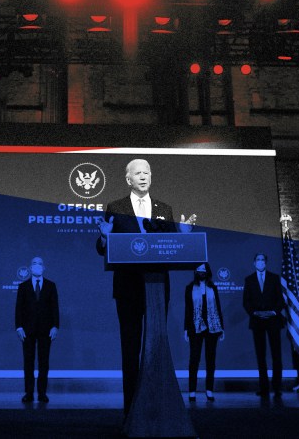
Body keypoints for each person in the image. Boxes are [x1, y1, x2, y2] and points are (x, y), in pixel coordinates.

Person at [95, 158, 195, 415]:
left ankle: (157, 409)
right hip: (128, 289)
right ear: (128, 179)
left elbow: (175, 249)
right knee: (130, 351)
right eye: (137, 173)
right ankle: (130, 413)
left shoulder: (164, 208)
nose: (143, 176)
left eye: (147, 172)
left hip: (157, 290)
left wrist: (183, 236)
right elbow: (100, 249)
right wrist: (105, 237)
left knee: (156, 349)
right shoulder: (115, 207)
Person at [15, 256, 60, 403]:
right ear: (30, 267)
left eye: (40, 263)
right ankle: (28, 393)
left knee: (43, 362)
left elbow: (55, 308)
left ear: (44, 267)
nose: (37, 266)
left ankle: (42, 393)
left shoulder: (51, 285)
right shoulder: (23, 287)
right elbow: (18, 309)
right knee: (28, 362)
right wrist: (19, 327)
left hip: (45, 330)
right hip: (27, 330)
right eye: (34, 263)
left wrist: (55, 326)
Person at [242, 253, 286, 398]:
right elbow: (246, 302)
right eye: (258, 260)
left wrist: (273, 312)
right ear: (254, 263)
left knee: (276, 355)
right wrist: (255, 313)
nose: (260, 262)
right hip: (257, 321)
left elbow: (280, 300)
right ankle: (264, 388)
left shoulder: (274, 278)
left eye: (263, 260)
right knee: (261, 356)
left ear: (266, 263)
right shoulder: (249, 280)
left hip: (273, 320)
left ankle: (277, 387)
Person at [183, 262, 224, 402]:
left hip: (213, 327)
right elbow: (188, 310)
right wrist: (186, 329)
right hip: (195, 327)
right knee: (194, 359)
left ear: (208, 271)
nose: (201, 272)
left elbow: (218, 307)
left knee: (210, 359)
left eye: (203, 269)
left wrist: (221, 328)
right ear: (195, 272)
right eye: (199, 270)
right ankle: (192, 391)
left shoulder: (213, 287)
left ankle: (209, 390)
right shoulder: (189, 288)